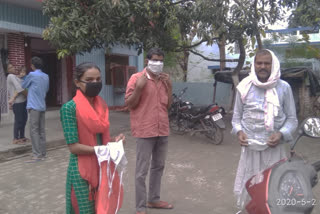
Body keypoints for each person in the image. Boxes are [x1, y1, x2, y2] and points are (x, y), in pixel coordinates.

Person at [231, 49, 298, 213]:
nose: (262, 66)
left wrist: (281, 133)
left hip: (274, 151)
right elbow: (236, 118)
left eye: (267, 63)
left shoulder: (284, 88)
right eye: (259, 63)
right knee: (250, 186)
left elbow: (292, 119)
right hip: (250, 151)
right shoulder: (244, 87)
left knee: (274, 188)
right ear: (254, 65)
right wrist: (239, 132)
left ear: (273, 65)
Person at [60, 62, 126, 214]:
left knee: (102, 207)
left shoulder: (101, 105)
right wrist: (103, 150)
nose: (95, 83)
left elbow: (102, 139)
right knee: (84, 210)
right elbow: (74, 147)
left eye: (98, 79)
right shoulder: (69, 108)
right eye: (89, 80)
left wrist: (116, 141)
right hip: (81, 171)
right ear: (77, 82)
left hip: (101, 166)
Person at [125, 48, 173, 214]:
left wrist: (170, 86)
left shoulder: (164, 80)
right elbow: (129, 104)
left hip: (162, 129)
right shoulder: (136, 78)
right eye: (155, 60)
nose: (158, 63)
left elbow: (167, 106)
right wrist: (138, 88)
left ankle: (153, 200)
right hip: (145, 131)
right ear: (147, 61)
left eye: (161, 61)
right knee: (141, 172)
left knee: (158, 167)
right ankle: (140, 207)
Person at [22, 57, 49, 162]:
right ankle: (43, 153)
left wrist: (24, 77)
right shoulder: (46, 76)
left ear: (32, 65)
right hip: (42, 105)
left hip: (34, 106)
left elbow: (23, 85)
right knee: (41, 130)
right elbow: (46, 89)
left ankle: (36, 155)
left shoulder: (32, 75)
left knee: (34, 131)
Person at [6, 64, 28, 145]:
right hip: (17, 102)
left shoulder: (16, 77)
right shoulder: (10, 76)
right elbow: (19, 88)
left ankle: (22, 137)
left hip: (23, 102)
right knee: (18, 120)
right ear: (7, 70)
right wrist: (27, 94)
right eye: (9, 68)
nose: (12, 68)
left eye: (12, 67)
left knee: (24, 119)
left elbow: (23, 84)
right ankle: (15, 138)